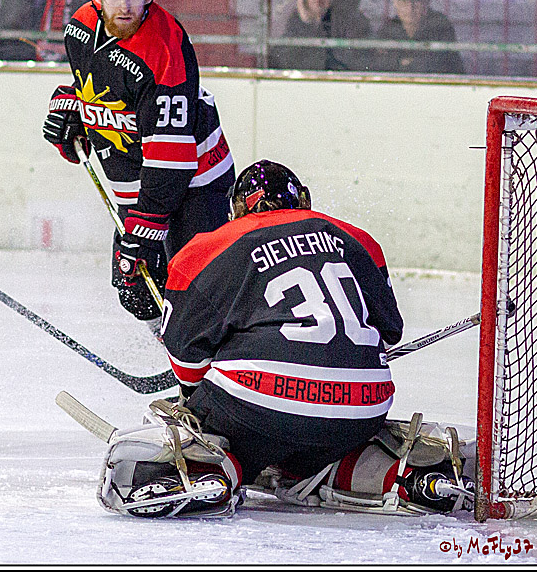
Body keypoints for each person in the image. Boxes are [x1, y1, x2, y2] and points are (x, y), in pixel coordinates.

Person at [97, 160, 476, 518]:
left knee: (197, 419)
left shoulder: (208, 247)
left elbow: (187, 363)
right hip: (360, 409)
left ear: (239, 210)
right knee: (324, 444)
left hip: (257, 408)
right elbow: (389, 331)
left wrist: (203, 411)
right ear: (305, 200)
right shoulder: (359, 239)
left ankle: (210, 469)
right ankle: (392, 474)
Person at [42, 0, 236, 334]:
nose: (126, 5)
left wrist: (145, 228)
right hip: (140, 176)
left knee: (196, 290)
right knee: (135, 289)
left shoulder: (165, 50)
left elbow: (172, 155)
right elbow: (99, 89)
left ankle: (211, 368)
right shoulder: (80, 28)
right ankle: (174, 352)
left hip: (196, 179)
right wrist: (71, 110)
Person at [269, 0, 372, 71]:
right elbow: (281, 58)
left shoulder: (350, 20)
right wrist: (305, 22)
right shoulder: (292, 18)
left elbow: (355, 59)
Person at [372, 0, 465, 75]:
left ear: (427, 2)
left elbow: (436, 65)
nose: (410, 7)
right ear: (395, 2)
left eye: (417, 1)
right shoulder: (388, 28)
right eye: (403, 0)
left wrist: (401, 62)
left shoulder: (440, 25)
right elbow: (378, 65)